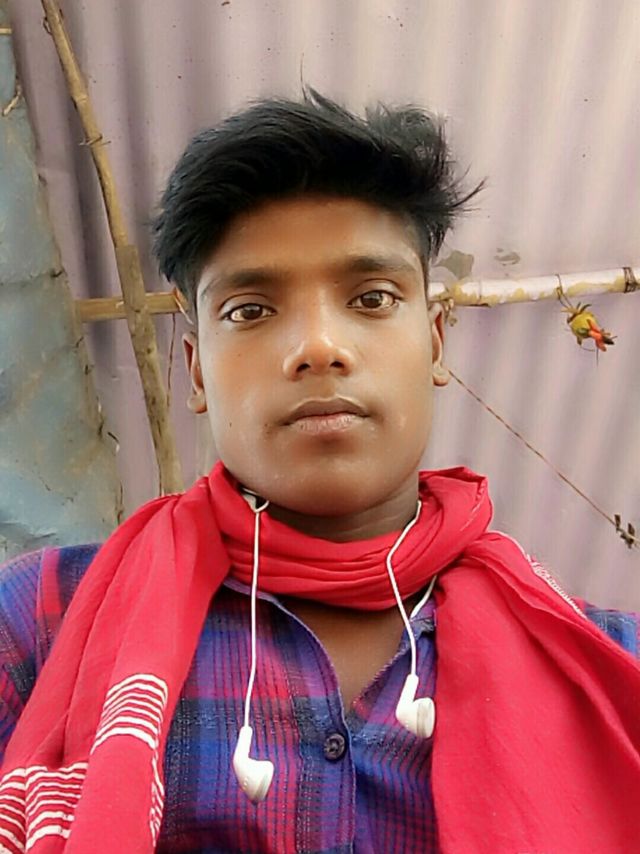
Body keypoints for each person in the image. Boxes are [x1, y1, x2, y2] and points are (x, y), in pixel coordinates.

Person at [0, 88, 639, 854]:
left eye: (372, 297)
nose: (318, 347)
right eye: (250, 310)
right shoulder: (38, 623)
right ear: (196, 371)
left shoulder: (608, 670)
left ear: (436, 343)